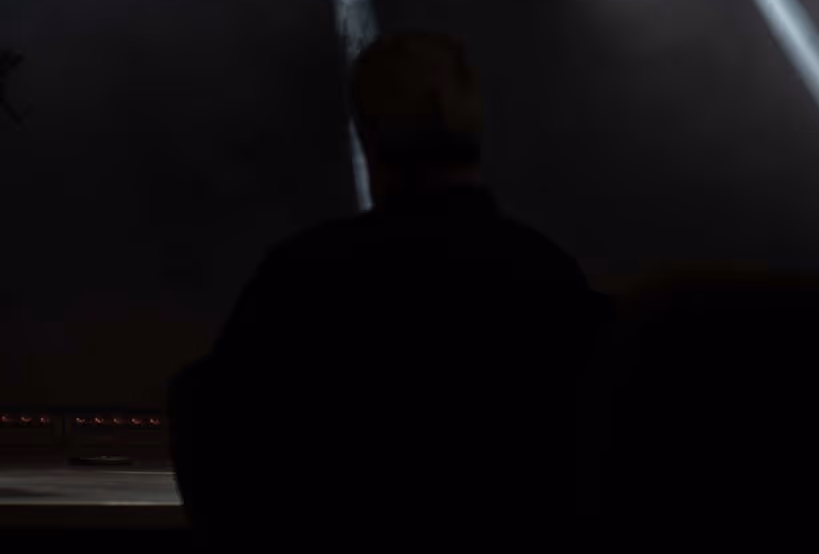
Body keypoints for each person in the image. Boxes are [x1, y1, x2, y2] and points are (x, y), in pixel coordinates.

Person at [170, 32, 607, 539]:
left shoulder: (302, 280)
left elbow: (214, 434)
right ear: (476, 124)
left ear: (365, 135)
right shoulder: (549, 278)